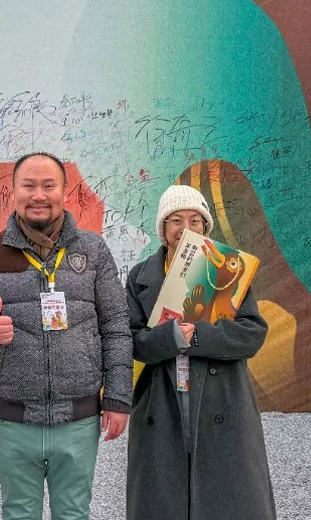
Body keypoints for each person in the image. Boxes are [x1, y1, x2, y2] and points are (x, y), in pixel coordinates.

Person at [0, 152, 132, 520]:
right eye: (28, 185)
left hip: (78, 419)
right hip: (14, 422)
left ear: (64, 192)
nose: (38, 195)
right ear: (14, 191)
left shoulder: (93, 250)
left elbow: (116, 326)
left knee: (73, 513)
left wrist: (117, 397)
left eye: (48, 186)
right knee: (18, 513)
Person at [125, 184, 276, 520]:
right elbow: (131, 341)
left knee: (227, 498)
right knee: (164, 497)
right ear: (163, 228)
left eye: (194, 220)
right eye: (175, 220)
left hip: (221, 396)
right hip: (162, 398)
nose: (185, 228)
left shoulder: (229, 270)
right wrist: (170, 337)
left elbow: (252, 333)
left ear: (205, 226)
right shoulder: (140, 277)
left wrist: (199, 337)